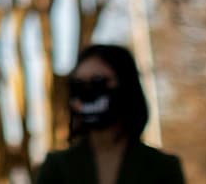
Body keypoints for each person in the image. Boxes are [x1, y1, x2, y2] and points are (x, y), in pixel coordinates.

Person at [36, 44, 185, 184]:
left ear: (126, 86)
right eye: (78, 85)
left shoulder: (162, 167)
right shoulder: (56, 167)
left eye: (98, 82)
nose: (87, 92)